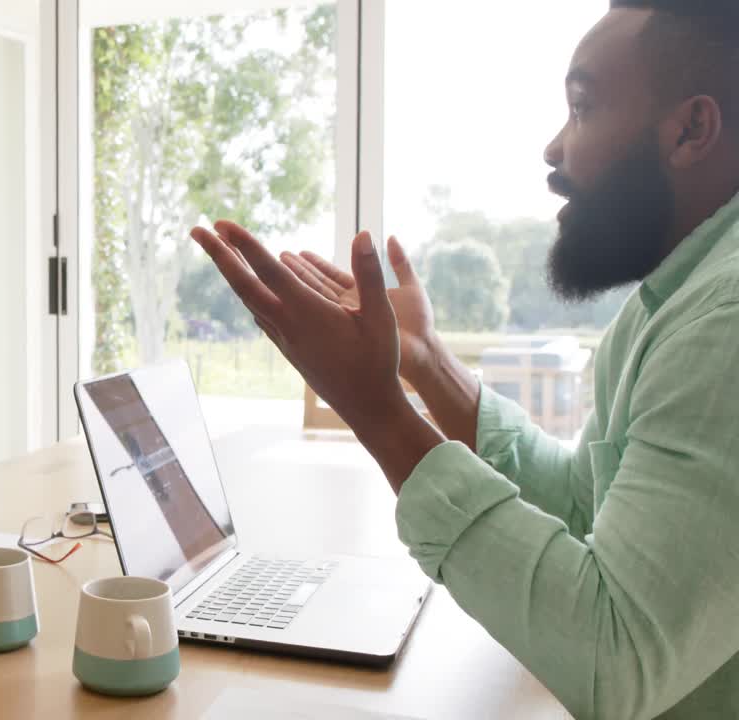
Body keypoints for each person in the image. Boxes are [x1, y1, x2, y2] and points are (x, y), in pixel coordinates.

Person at [194, 2, 739, 718]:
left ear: (690, 129)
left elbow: (617, 659)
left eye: (582, 109)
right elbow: (583, 507)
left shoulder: (723, 321)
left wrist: (376, 409)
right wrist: (426, 365)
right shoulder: (669, 301)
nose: (553, 149)